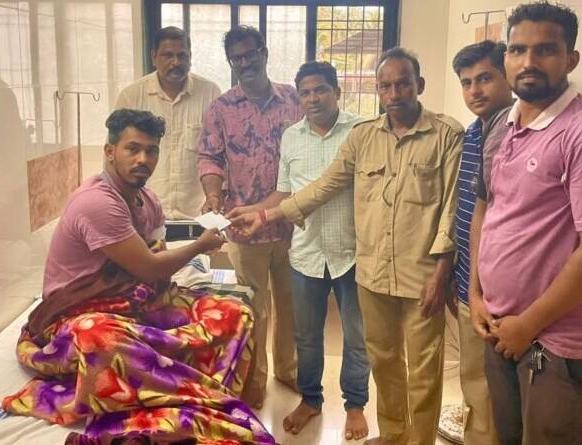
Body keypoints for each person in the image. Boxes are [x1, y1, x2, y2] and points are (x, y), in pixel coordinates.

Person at [231, 47, 464, 445]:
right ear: (377, 90)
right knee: (384, 361)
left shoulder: (446, 134)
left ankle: (417, 440)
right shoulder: (364, 137)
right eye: (385, 86)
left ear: (419, 85)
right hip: (371, 272)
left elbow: (452, 210)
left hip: (417, 273)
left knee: (423, 371)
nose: (394, 94)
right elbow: (323, 186)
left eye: (403, 84)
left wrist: (442, 273)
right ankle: (393, 435)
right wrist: (267, 215)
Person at [2, 109, 273, 445]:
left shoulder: (147, 200)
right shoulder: (97, 203)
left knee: (235, 314)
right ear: (110, 151)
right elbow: (149, 268)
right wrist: (200, 246)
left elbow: (155, 257)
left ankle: (188, 385)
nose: (143, 159)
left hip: (136, 303)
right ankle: (200, 397)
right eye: (132, 148)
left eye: (151, 150)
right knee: (100, 338)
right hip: (77, 313)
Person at [467, 3, 582, 445]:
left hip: (558, 340)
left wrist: (528, 325)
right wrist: (476, 293)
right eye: (518, 50)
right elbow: (487, 210)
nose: (528, 62)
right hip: (499, 324)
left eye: (545, 50)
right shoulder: (502, 124)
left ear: (570, 59)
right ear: (505, 57)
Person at [227, 61, 371, 439]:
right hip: (306, 253)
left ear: (337, 91)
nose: (313, 98)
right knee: (305, 336)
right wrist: (257, 212)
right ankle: (311, 398)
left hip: (353, 252)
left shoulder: (361, 131)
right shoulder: (291, 136)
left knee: (357, 336)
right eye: (305, 92)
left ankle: (355, 405)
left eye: (320, 89)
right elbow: (285, 192)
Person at [198, 25, 301, 409]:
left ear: (264, 53)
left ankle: (288, 371)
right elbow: (209, 157)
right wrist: (213, 194)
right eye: (236, 58)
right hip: (244, 229)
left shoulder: (294, 100)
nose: (244, 63)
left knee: (292, 306)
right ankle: (254, 383)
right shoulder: (221, 109)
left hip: (292, 225)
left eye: (249, 54)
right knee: (254, 310)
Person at [443, 39, 514, 445]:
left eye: (485, 78)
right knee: (475, 381)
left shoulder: (519, 132)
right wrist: (459, 278)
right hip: (472, 285)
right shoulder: (472, 133)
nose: (475, 90)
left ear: (508, 76)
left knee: (498, 390)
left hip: (508, 293)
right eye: (467, 82)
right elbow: (466, 212)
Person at [115, 26, 221, 239]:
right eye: (168, 55)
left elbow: (218, 154)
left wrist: (216, 197)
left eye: (182, 55)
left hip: (197, 220)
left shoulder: (210, 93)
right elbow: (116, 157)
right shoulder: (132, 96)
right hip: (144, 218)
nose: (176, 62)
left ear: (190, 57)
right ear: (154, 57)